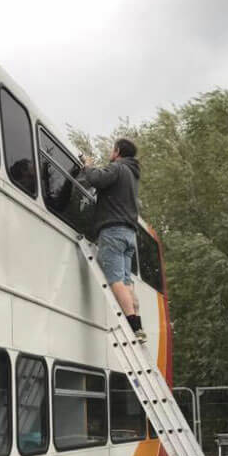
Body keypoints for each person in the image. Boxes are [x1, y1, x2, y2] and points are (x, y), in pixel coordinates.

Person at [81, 138, 146, 342]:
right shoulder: (132, 176)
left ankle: (134, 325)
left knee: (115, 280)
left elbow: (97, 179)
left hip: (113, 230)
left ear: (117, 151)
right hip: (129, 234)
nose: (111, 153)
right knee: (126, 281)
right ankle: (138, 323)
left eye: (112, 150)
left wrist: (88, 166)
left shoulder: (118, 167)